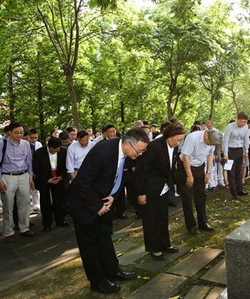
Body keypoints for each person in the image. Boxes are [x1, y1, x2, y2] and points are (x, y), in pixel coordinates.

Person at [69, 128, 149, 294]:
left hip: (105, 202)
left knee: (104, 238)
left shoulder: (128, 156)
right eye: (139, 150)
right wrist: (97, 206)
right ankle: (97, 281)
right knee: (89, 245)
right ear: (128, 144)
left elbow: (121, 178)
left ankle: (112, 271)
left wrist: (113, 197)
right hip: (85, 205)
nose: (140, 154)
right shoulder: (102, 152)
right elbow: (81, 183)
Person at [136, 122, 185, 260]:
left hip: (163, 188)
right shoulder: (154, 147)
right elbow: (141, 171)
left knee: (163, 217)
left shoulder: (174, 147)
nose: (179, 143)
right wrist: (141, 193)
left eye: (181, 140)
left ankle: (165, 244)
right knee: (150, 220)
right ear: (170, 136)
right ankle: (153, 248)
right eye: (178, 140)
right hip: (149, 189)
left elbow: (169, 168)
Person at [0, 122, 36, 241]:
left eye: (21, 132)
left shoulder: (26, 144)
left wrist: (30, 177)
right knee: (8, 205)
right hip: (8, 176)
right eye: (16, 132)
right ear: (9, 132)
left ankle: (24, 228)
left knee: (25, 203)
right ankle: (8, 231)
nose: (19, 135)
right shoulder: (1, 144)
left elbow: (29, 161)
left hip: (24, 175)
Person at [178, 129, 223, 235]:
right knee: (188, 197)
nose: (210, 145)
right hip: (186, 167)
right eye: (209, 142)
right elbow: (185, 157)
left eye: (212, 144)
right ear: (206, 134)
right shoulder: (192, 138)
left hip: (199, 167)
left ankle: (203, 223)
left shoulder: (212, 140)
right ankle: (191, 226)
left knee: (202, 195)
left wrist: (208, 172)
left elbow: (210, 155)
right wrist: (189, 175)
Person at [33, 137, 69, 232]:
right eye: (53, 151)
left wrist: (61, 177)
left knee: (59, 201)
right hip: (44, 180)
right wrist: (47, 180)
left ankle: (60, 220)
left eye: (57, 150)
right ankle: (47, 224)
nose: (55, 152)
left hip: (58, 179)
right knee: (45, 203)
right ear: (49, 147)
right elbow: (37, 169)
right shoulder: (38, 153)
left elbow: (66, 166)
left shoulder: (63, 151)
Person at [222, 112, 250, 199]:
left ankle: (240, 190)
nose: (243, 123)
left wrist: (246, 151)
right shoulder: (229, 127)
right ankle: (233, 192)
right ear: (237, 120)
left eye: (245, 122)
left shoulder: (245, 127)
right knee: (231, 172)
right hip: (230, 151)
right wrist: (225, 154)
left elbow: (246, 139)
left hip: (240, 150)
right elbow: (225, 141)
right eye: (241, 121)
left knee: (239, 171)